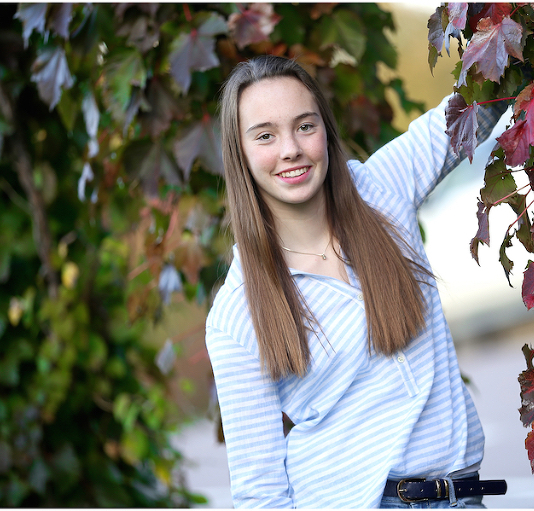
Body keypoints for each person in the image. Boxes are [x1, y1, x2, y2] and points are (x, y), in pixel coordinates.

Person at [205, 55, 506, 508]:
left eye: (305, 126)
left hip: (463, 497)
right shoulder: (236, 314)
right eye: (265, 135)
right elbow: (260, 492)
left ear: (325, 130)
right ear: (241, 153)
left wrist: (516, 27)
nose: (291, 149)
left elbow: (476, 110)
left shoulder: (380, 188)